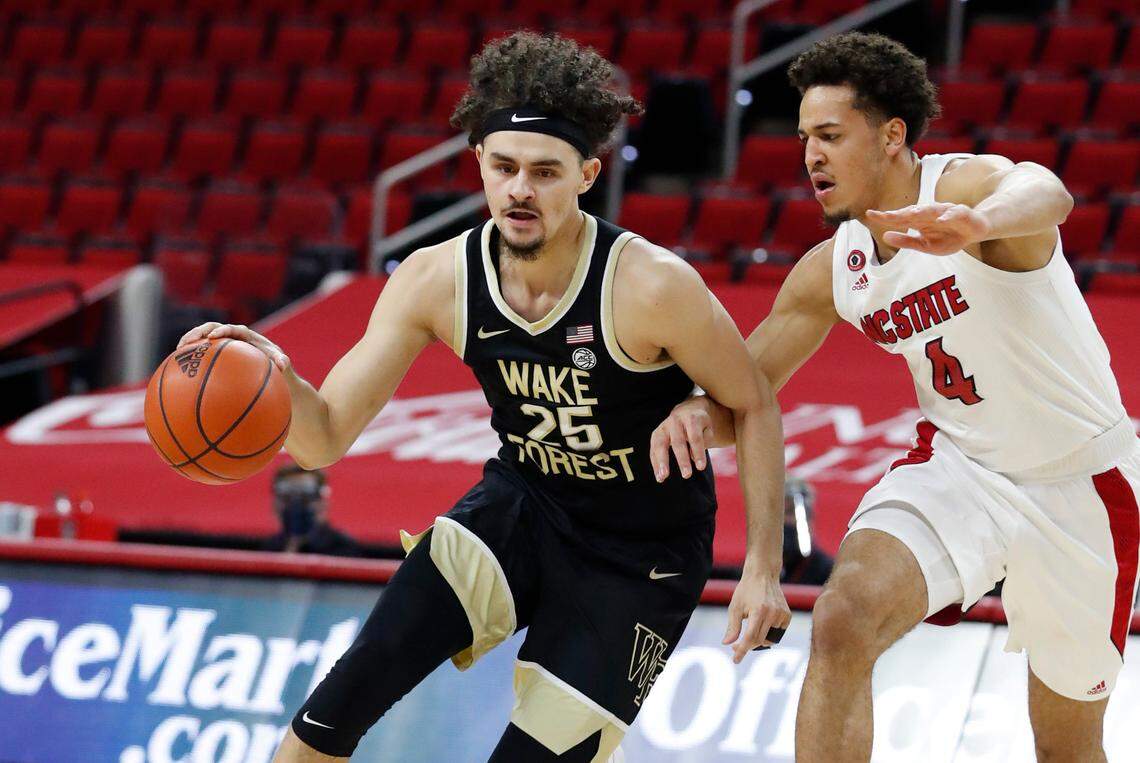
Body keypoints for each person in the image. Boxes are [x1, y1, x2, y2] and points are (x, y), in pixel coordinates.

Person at [177, 33, 789, 763]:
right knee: (329, 714)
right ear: (480, 167)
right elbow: (322, 437)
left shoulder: (651, 285)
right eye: (503, 167)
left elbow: (753, 403)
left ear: (587, 174)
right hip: (522, 507)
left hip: (640, 555)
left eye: (544, 171)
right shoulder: (437, 278)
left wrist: (762, 567)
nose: (520, 189)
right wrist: (272, 375)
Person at [650, 32, 1139, 762]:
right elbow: (742, 392)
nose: (810, 155)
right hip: (961, 468)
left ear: (891, 136)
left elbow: (1047, 190)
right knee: (844, 614)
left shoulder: (964, 190)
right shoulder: (832, 269)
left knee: (1066, 749)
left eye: (830, 135)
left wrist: (981, 225)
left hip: (1080, 482)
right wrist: (695, 409)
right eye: (804, 137)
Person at [263, 463, 363, 557]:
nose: (296, 505)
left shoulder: (343, 548)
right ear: (275, 504)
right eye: (287, 497)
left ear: (323, 503)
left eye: (305, 497)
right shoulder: (269, 549)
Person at [781, 476, 833, 586]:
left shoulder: (828, 572)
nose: (784, 520)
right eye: (777, 513)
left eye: (790, 512)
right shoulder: (755, 570)